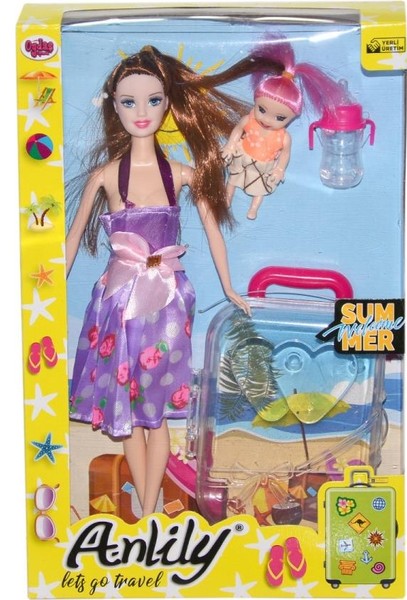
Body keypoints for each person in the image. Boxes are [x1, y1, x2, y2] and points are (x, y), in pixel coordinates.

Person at [66, 45, 280, 516]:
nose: (141, 112)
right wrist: (40, 291)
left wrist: (229, 287)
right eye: (128, 101)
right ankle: (148, 510)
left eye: (153, 100)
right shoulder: (105, 176)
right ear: (113, 104)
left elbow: (213, 231)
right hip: (117, 303)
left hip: (165, 302)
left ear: (168, 104)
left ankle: (148, 507)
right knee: (125, 415)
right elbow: (72, 238)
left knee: (156, 413)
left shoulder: (182, 174)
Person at [222, 34, 350, 219]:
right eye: (262, 109)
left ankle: (253, 208)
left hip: (263, 164)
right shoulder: (249, 119)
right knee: (233, 179)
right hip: (243, 154)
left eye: (280, 117)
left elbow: (285, 154)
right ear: (256, 101)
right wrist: (230, 145)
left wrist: (279, 169)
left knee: (260, 188)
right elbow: (237, 130)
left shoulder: (283, 137)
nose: (267, 120)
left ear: (292, 117)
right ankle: (227, 198)